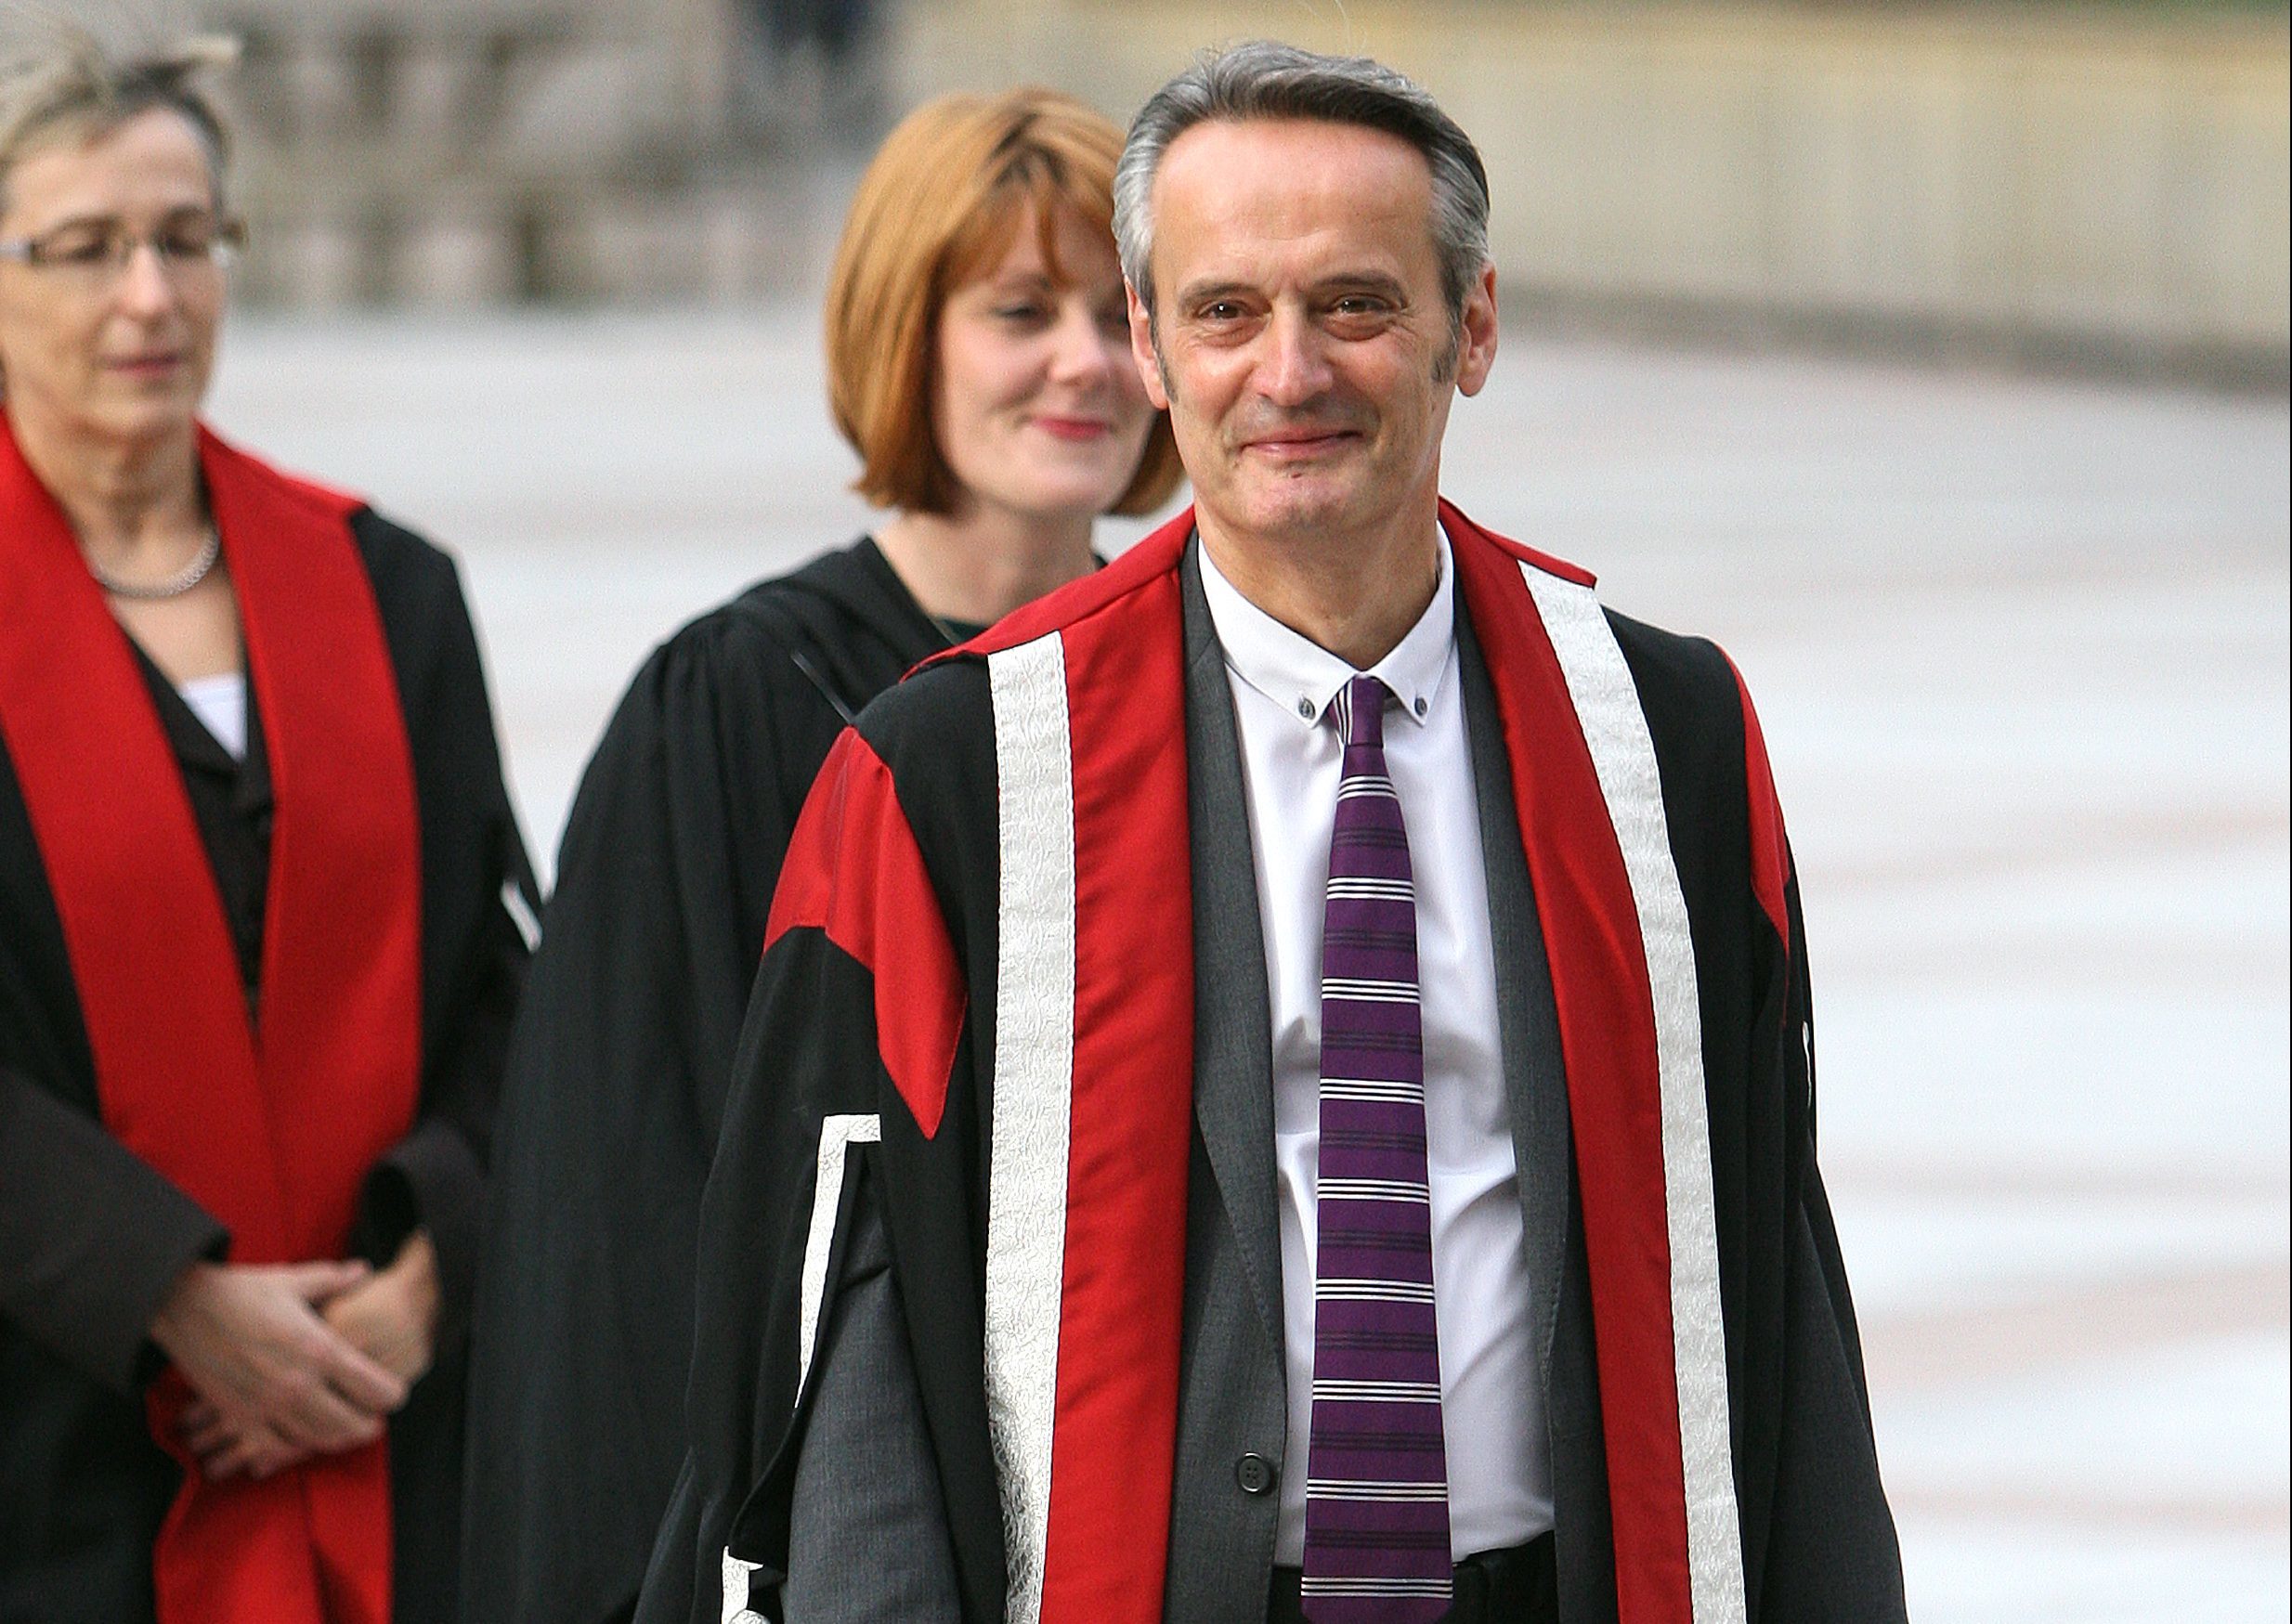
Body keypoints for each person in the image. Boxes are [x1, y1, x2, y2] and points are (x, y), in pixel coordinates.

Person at [642, 40, 1910, 1624]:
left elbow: (1769, 1256)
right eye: (1225, 310)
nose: (1289, 372)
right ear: (1153, 352)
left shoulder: (1666, 735)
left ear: (1476, 327)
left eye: (1357, 305)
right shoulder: (957, 768)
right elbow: (861, 1357)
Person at [460, 88, 1180, 1624]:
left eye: (1120, 318)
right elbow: (621, 1221)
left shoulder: (1200, 684)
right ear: (902, 336)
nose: (1085, 363)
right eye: (1017, 310)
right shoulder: (727, 707)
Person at [0, 32, 533, 1624]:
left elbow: (502, 986)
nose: (149, 297)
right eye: (83, 249)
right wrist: (165, 1287)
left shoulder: (388, 591)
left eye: (183, 239)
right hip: (60, 1465)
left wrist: (431, 1274)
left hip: (394, 1441)